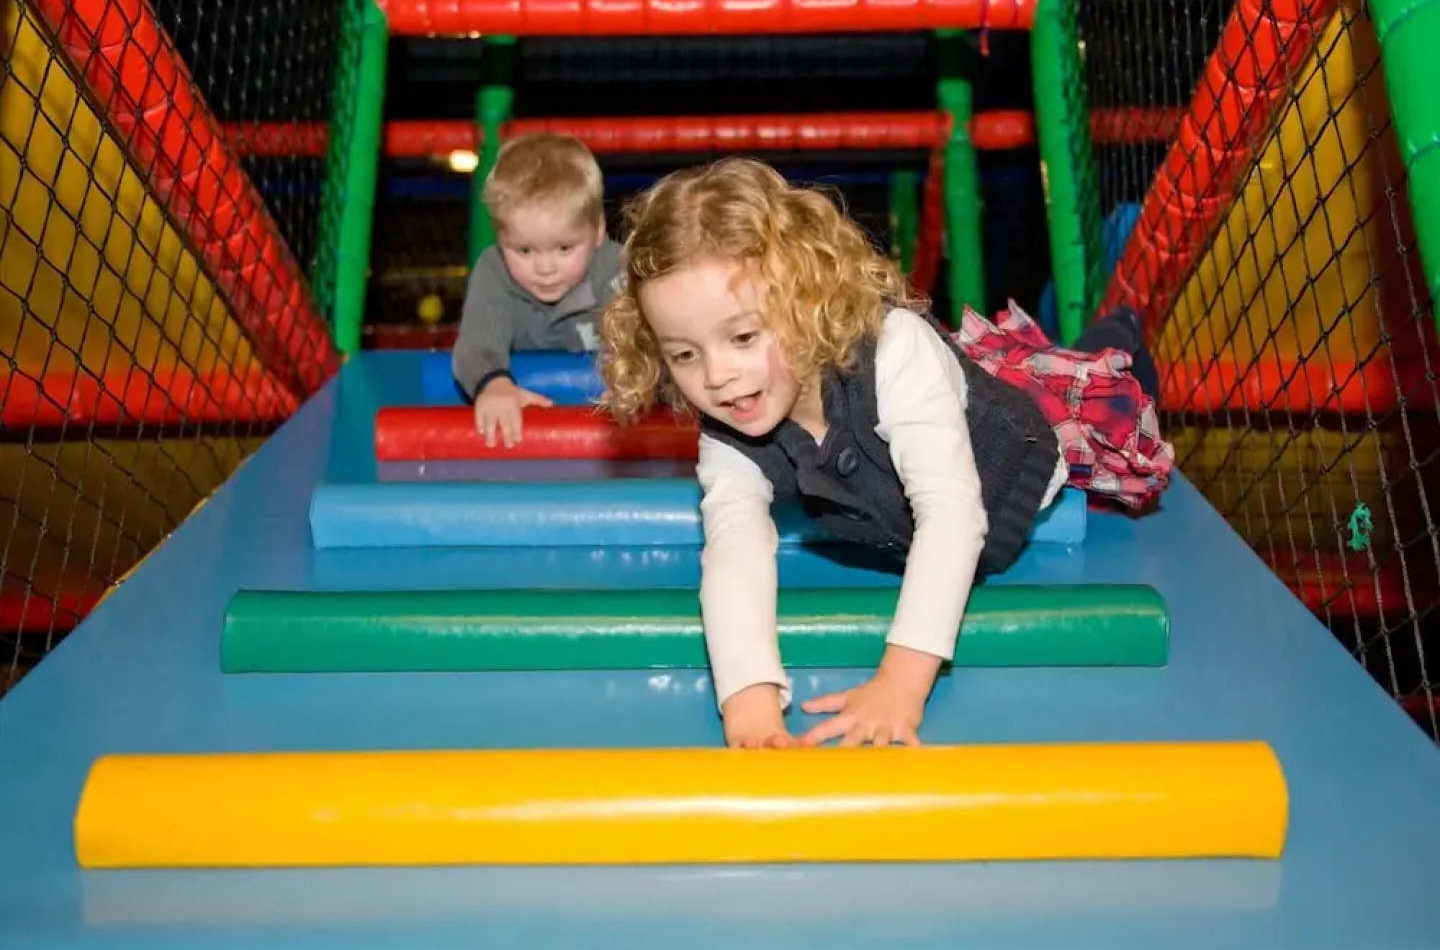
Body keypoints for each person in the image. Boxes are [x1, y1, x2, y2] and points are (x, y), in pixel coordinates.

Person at [598, 157, 1173, 749]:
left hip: (1020, 453)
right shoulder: (730, 428)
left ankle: (1122, 328)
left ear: (806, 298)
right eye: (685, 355)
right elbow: (734, 552)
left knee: (1109, 391)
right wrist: (750, 710)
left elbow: (951, 514)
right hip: (938, 419)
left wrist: (900, 683)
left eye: (743, 336)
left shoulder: (895, 351)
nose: (717, 375)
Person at [452, 132, 626, 446]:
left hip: (599, 424)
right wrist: (493, 384)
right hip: (530, 422)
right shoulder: (494, 270)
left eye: (563, 248)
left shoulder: (615, 269)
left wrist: (634, 377)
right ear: (501, 238)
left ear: (598, 230)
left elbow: (647, 336)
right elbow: (475, 346)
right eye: (524, 251)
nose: (545, 268)